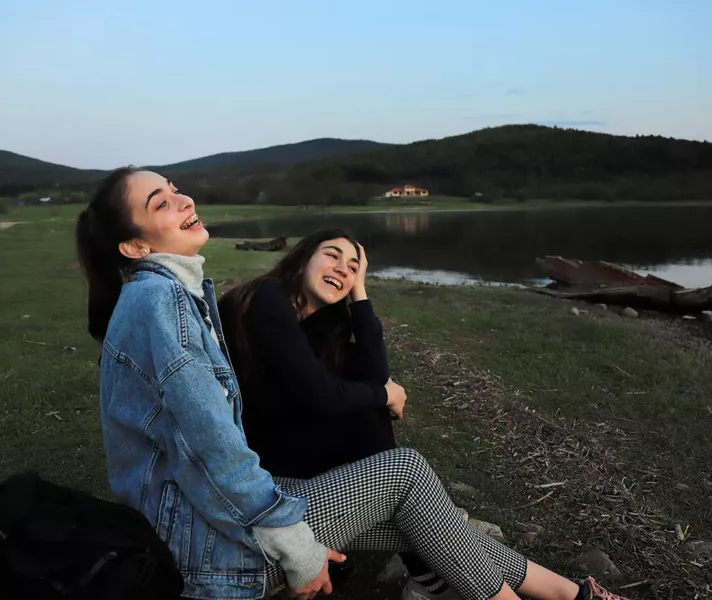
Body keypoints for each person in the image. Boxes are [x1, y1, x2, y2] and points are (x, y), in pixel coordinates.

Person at [75, 166, 628, 600]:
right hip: (203, 548)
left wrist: (361, 299)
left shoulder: (174, 296)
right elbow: (210, 446)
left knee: (425, 529)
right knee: (406, 472)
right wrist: (298, 550)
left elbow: (362, 380)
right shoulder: (162, 304)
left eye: (176, 190)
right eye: (161, 203)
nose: (184, 200)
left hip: (215, 519)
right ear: (135, 246)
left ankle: (573, 594)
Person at [218, 228, 460, 599]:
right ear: (301, 260)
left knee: (364, 412)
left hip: (275, 429)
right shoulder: (266, 299)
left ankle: (422, 536)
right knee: (364, 416)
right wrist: (383, 394)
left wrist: (360, 294)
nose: (343, 270)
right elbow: (325, 396)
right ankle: (426, 551)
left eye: (353, 267)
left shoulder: (317, 322)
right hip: (241, 455)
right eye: (332, 256)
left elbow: (372, 375)